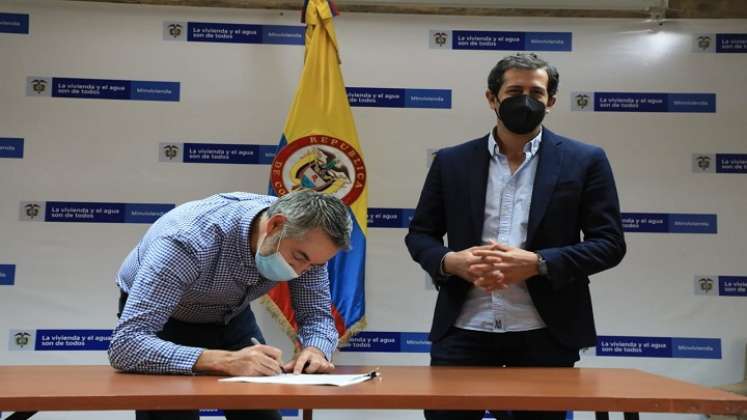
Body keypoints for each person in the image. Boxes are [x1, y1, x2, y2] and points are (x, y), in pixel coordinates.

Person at [404, 53, 626, 420]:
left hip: (544, 331)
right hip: (463, 328)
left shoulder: (584, 160)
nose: (526, 100)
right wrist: (449, 262)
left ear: (551, 101)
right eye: (514, 91)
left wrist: (539, 264)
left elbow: (609, 243)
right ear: (492, 98)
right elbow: (420, 235)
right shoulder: (452, 161)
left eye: (536, 93)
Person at [108, 190, 352, 420]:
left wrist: (316, 350)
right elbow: (126, 345)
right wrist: (224, 361)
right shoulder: (187, 241)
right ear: (275, 225)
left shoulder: (308, 247)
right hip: (167, 319)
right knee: (172, 413)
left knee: (261, 415)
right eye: (298, 258)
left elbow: (317, 316)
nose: (300, 273)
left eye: (313, 266)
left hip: (232, 316)